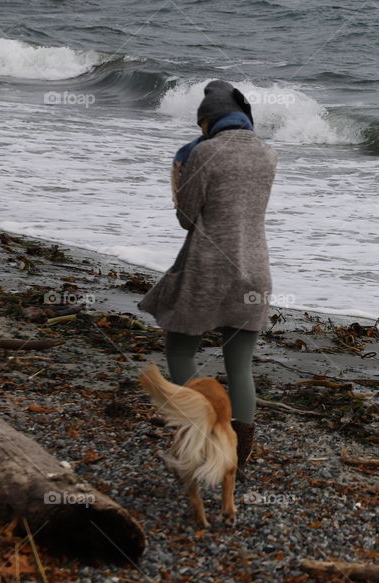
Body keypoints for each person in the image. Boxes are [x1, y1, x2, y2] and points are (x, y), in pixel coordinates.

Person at [139, 79, 277, 471]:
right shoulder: (268, 154)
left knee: (182, 350)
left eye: (201, 124)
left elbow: (187, 218)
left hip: (207, 269)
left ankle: (198, 436)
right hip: (255, 270)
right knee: (240, 366)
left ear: (209, 121)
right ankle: (239, 452)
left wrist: (180, 175)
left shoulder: (205, 152)